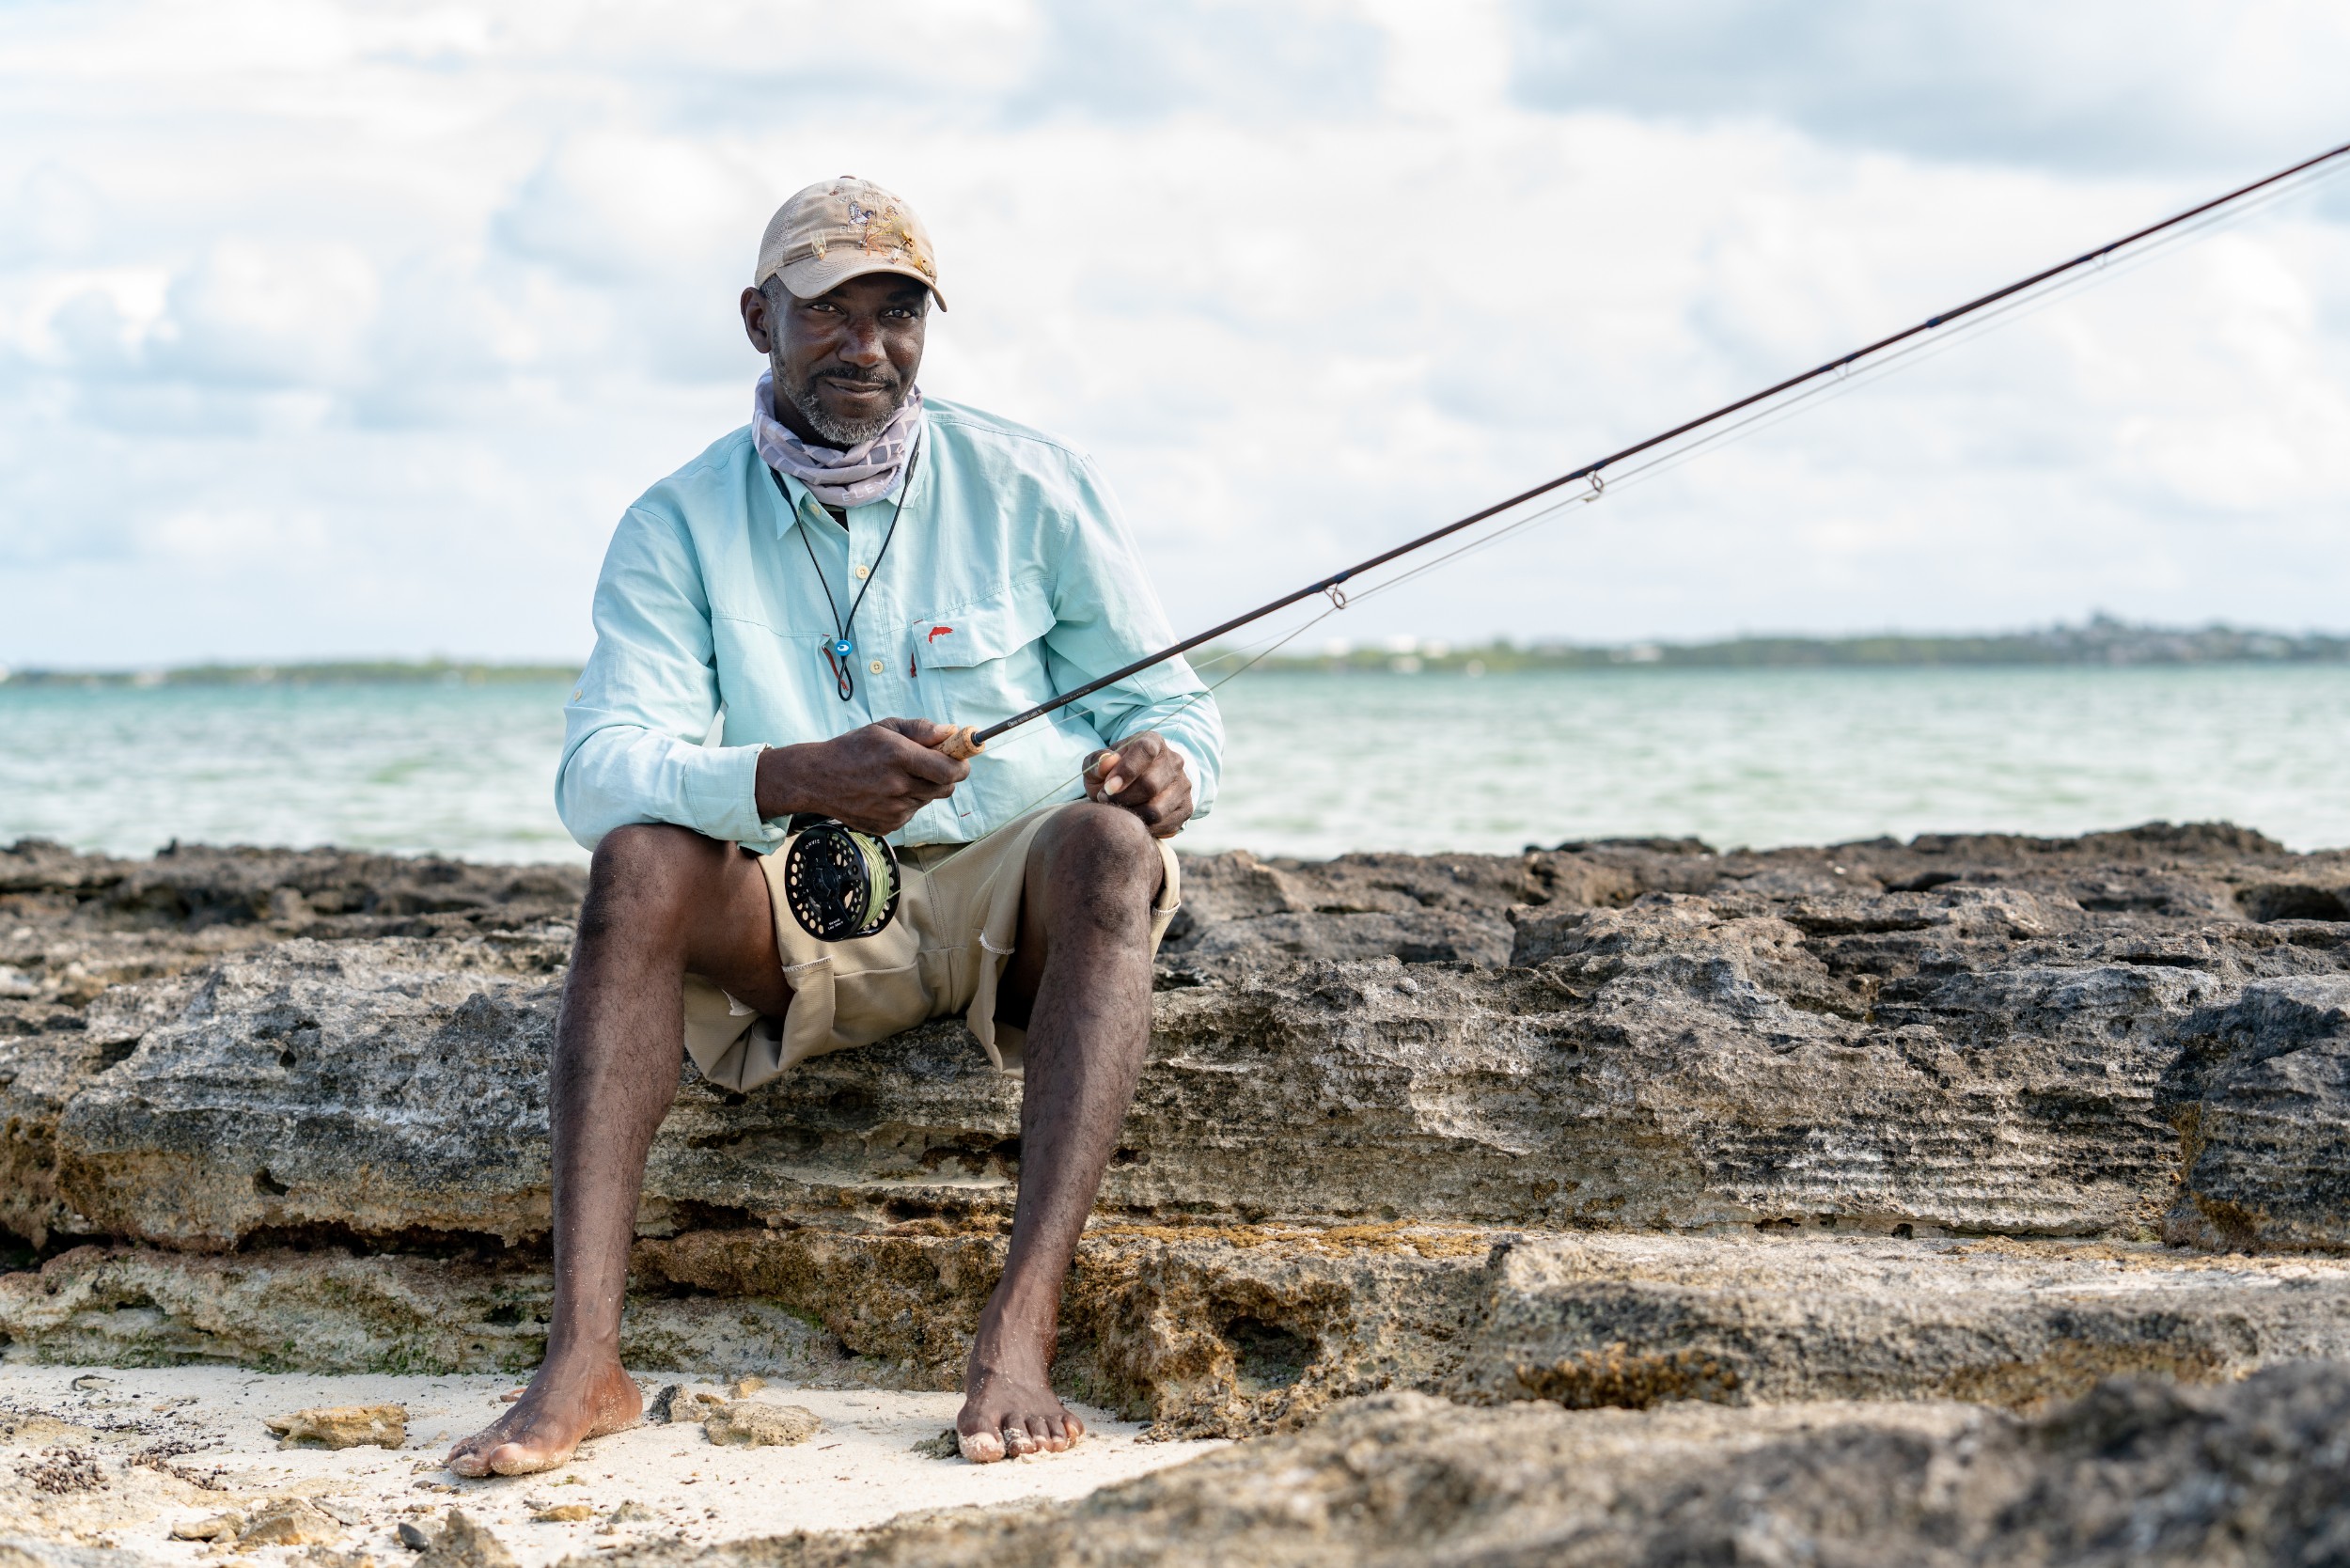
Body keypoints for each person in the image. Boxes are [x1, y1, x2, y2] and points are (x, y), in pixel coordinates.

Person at [446, 177, 1221, 1475]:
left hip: (1009, 902)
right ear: (759, 320)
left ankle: (1017, 1338)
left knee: (1112, 847)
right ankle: (583, 1360)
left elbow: (1174, 708)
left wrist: (1167, 770)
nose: (868, 347)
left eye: (897, 314)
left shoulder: (1034, 483)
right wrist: (794, 776)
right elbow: (598, 772)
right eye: (828, 313)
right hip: (800, 907)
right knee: (637, 860)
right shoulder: (676, 522)